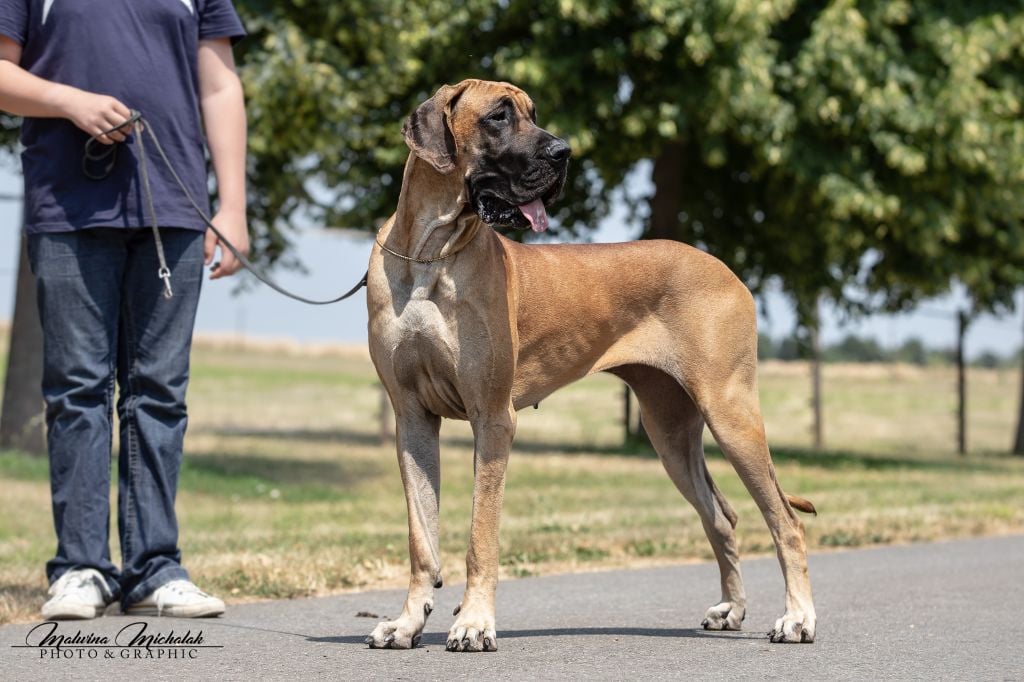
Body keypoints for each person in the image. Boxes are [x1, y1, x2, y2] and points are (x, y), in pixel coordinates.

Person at [0, 0, 249, 619]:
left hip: (176, 208)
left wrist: (233, 206)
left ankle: (155, 569)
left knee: (159, 393)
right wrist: (68, 101)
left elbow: (220, 85)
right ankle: (80, 568)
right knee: (77, 391)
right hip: (67, 210)